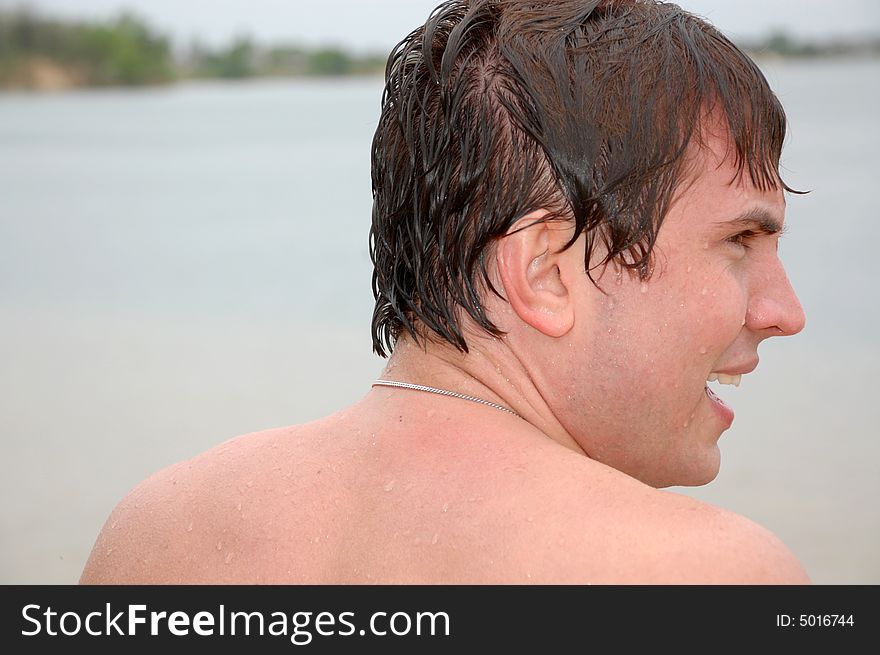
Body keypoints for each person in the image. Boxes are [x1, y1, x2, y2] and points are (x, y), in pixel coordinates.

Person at [81, 0, 809, 584]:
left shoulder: (154, 531)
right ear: (546, 274)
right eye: (739, 242)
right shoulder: (704, 578)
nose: (787, 313)